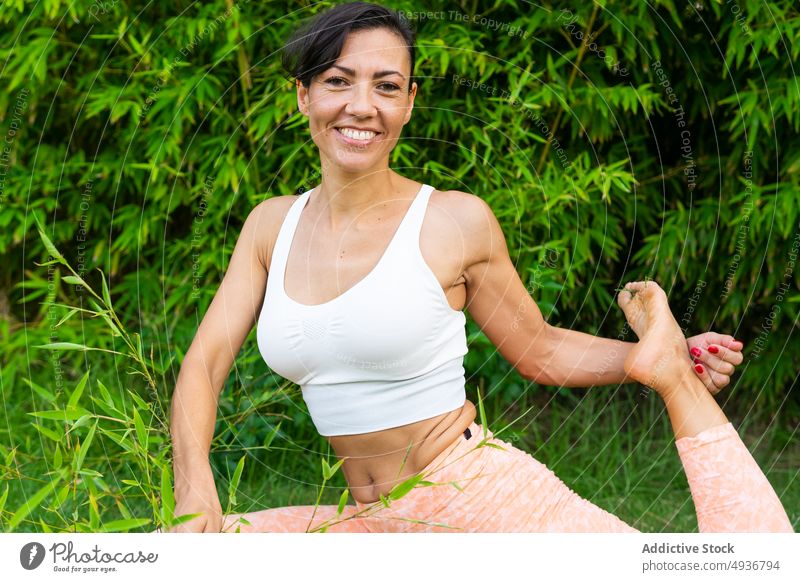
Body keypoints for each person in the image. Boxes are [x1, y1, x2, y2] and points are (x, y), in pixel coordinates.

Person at [165, 2, 787, 533]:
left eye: (385, 86)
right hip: (371, 524)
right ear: (304, 95)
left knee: (743, 567)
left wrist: (644, 359)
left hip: (483, 502)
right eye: (337, 81)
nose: (361, 105)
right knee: (191, 556)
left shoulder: (453, 222)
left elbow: (538, 349)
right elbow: (204, 364)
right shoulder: (270, 226)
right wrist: (196, 496)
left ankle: (670, 372)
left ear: (409, 104)